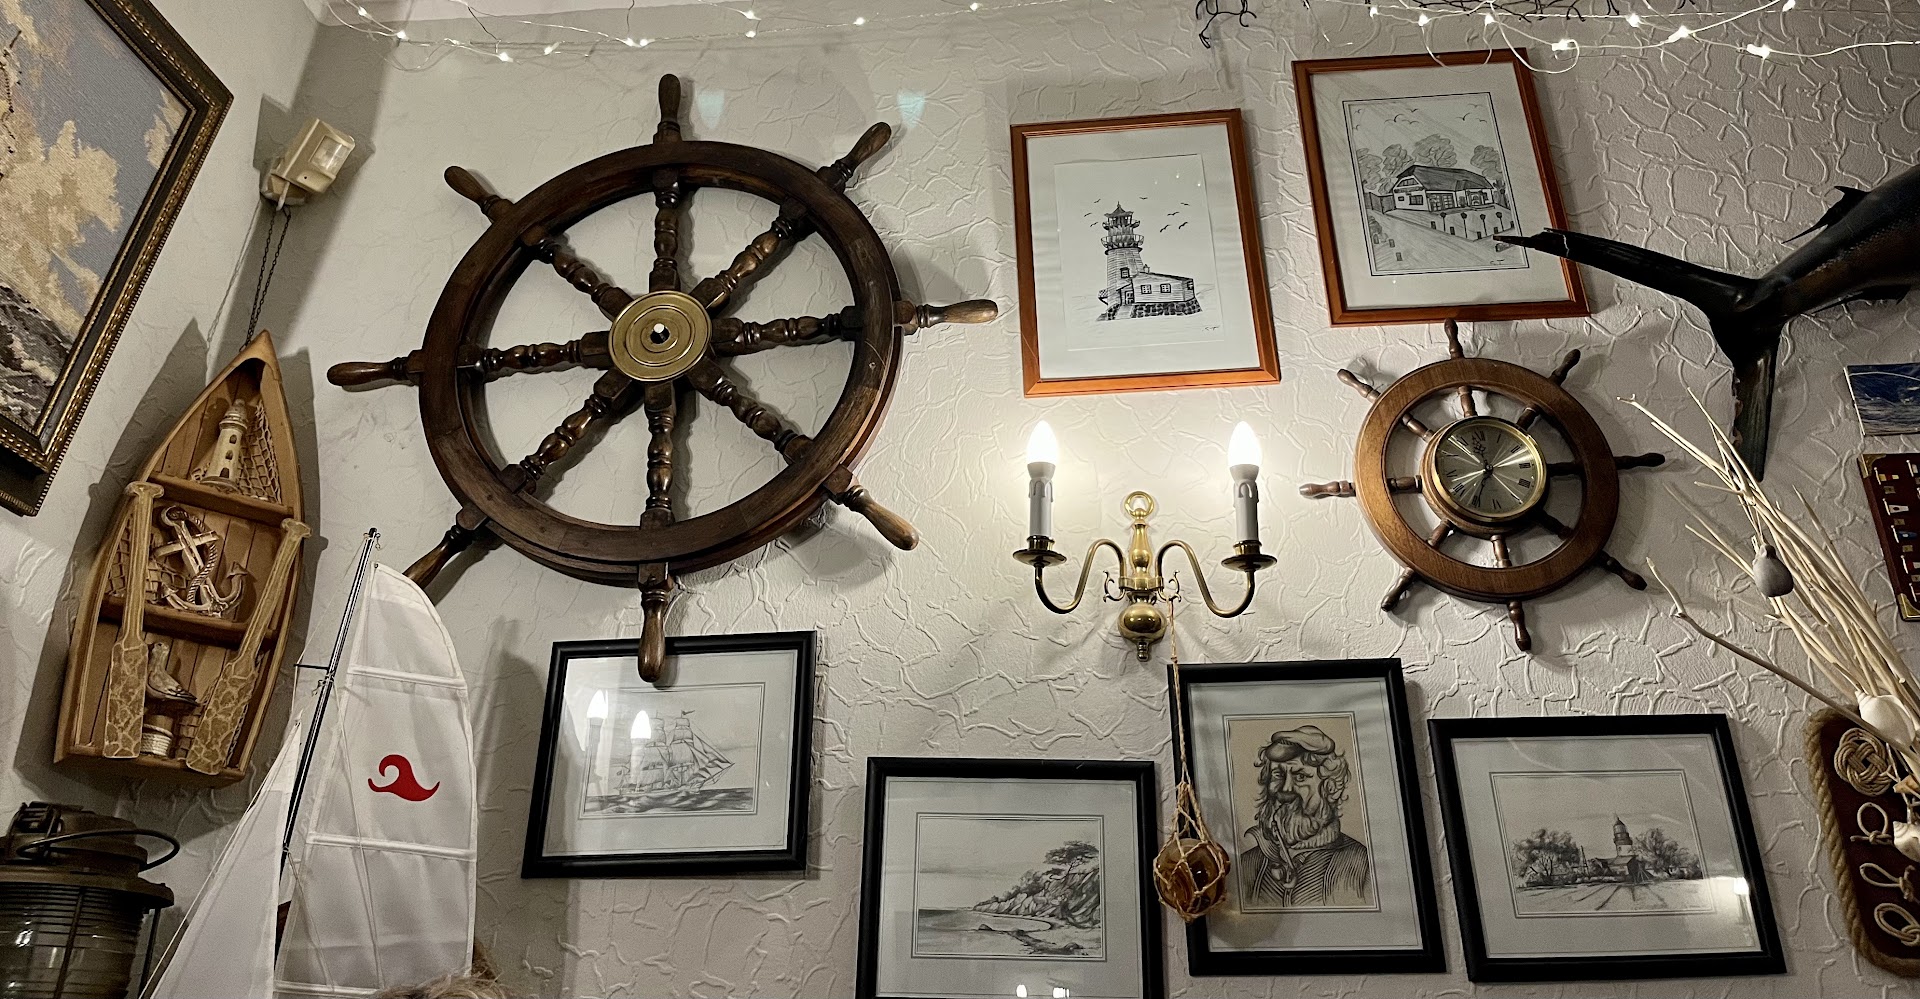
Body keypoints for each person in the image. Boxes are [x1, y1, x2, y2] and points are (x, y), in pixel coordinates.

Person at [1238, 725, 1372, 907]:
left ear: (1331, 788)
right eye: (1278, 775)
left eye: (1300, 777)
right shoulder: (1247, 865)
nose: (1286, 789)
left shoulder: (1362, 865)